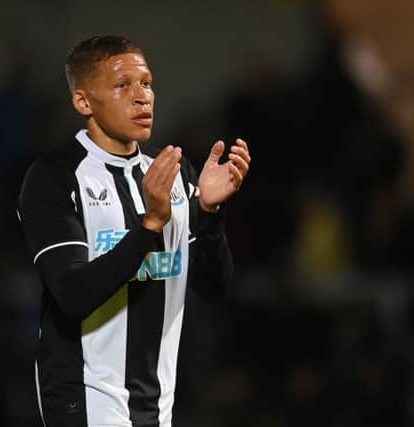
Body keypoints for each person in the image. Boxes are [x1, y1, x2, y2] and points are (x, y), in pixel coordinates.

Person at [17, 34, 251, 427]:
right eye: (122, 85)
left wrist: (211, 214)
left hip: (157, 407)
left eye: (146, 83)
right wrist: (150, 227)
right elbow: (73, 294)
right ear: (83, 102)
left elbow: (214, 288)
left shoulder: (173, 174)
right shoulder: (54, 178)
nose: (142, 96)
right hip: (84, 401)